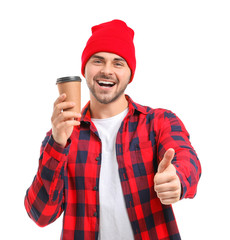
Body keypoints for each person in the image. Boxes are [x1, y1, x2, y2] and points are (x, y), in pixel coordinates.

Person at [24, 19, 201, 240]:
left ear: (129, 74)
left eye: (118, 63)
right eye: (98, 61)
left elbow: (186, 158)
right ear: (85, 70)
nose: (107, 71)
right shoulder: (61, 137)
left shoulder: (159, 121)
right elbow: (40, 215)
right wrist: (58, 144)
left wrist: (177, 179)